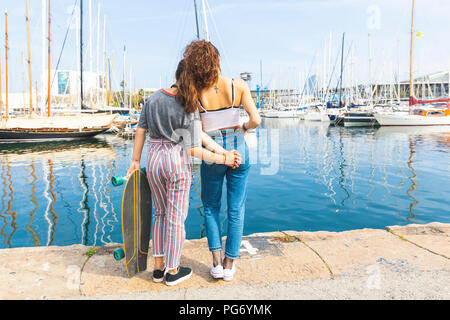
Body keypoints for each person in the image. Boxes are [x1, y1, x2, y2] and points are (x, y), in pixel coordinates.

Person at [127, 59, 241, 286]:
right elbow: (192, 147)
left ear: (175, 74)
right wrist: (222, 159)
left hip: (154, 159)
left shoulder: (153, 98)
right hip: (176, 159)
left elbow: (141, 130)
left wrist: (135, 161)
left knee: (159, 213)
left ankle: (158, 268)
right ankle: (172, 270)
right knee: (176, 219)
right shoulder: (188, 105)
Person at [179, 40, 261, 281]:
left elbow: (196, 134)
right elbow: (255, 120)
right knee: (236, 209)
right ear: (217, 61)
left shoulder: (195, 93)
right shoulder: (239, 85)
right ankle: (229, 264)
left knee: (211, 207)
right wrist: (244, 127)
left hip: (214, 155)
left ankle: (215, 261)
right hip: (239, 151)